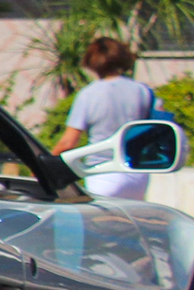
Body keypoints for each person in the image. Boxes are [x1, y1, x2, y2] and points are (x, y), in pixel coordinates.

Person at [54, 36, 163, 200]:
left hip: (101, 173)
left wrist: (42, 164)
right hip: (136, 174)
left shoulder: (88, 94)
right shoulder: (142, 91)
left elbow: (68, 142)